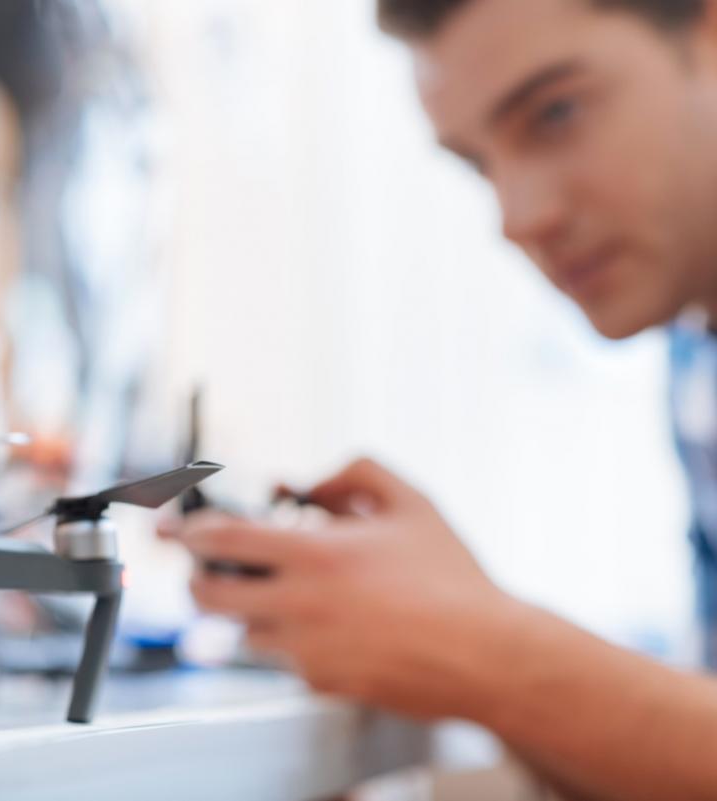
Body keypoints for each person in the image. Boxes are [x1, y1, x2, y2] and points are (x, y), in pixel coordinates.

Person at [170, 1, 717, 799]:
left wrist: (483, 647)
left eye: (556, 112)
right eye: (478, 164)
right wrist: (452, 622)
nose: (521, 217)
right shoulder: (693, 359)